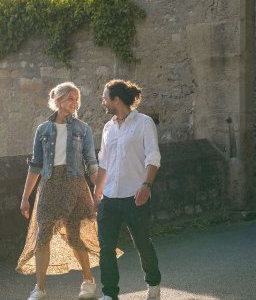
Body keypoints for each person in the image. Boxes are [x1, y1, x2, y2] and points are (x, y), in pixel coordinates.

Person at [17, 82, 116, 300]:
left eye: (76, 99)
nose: (75, 103)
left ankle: (88, 281)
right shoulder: (43, 130)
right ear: (59, 100)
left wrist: (101, 191)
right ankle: (40, 289)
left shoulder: (83, 129)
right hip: (49, 186)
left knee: (75, 236)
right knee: (42, 236)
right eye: (71, 98)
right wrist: (25, 198)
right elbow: (35, 165)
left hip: (75, 185)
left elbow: (91, 163)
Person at [94, 79, 162, 300]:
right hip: (109, 197)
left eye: (105, 98)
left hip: (135, 196)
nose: (103, 102)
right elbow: (104, 164)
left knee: (142, 243)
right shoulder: (108, 127)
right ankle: (109, 294)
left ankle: (153, 283)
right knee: (106, 248)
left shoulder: (144, 123)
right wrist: (97, 193)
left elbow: (153, 157)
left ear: (116, 100)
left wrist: (146, 185)